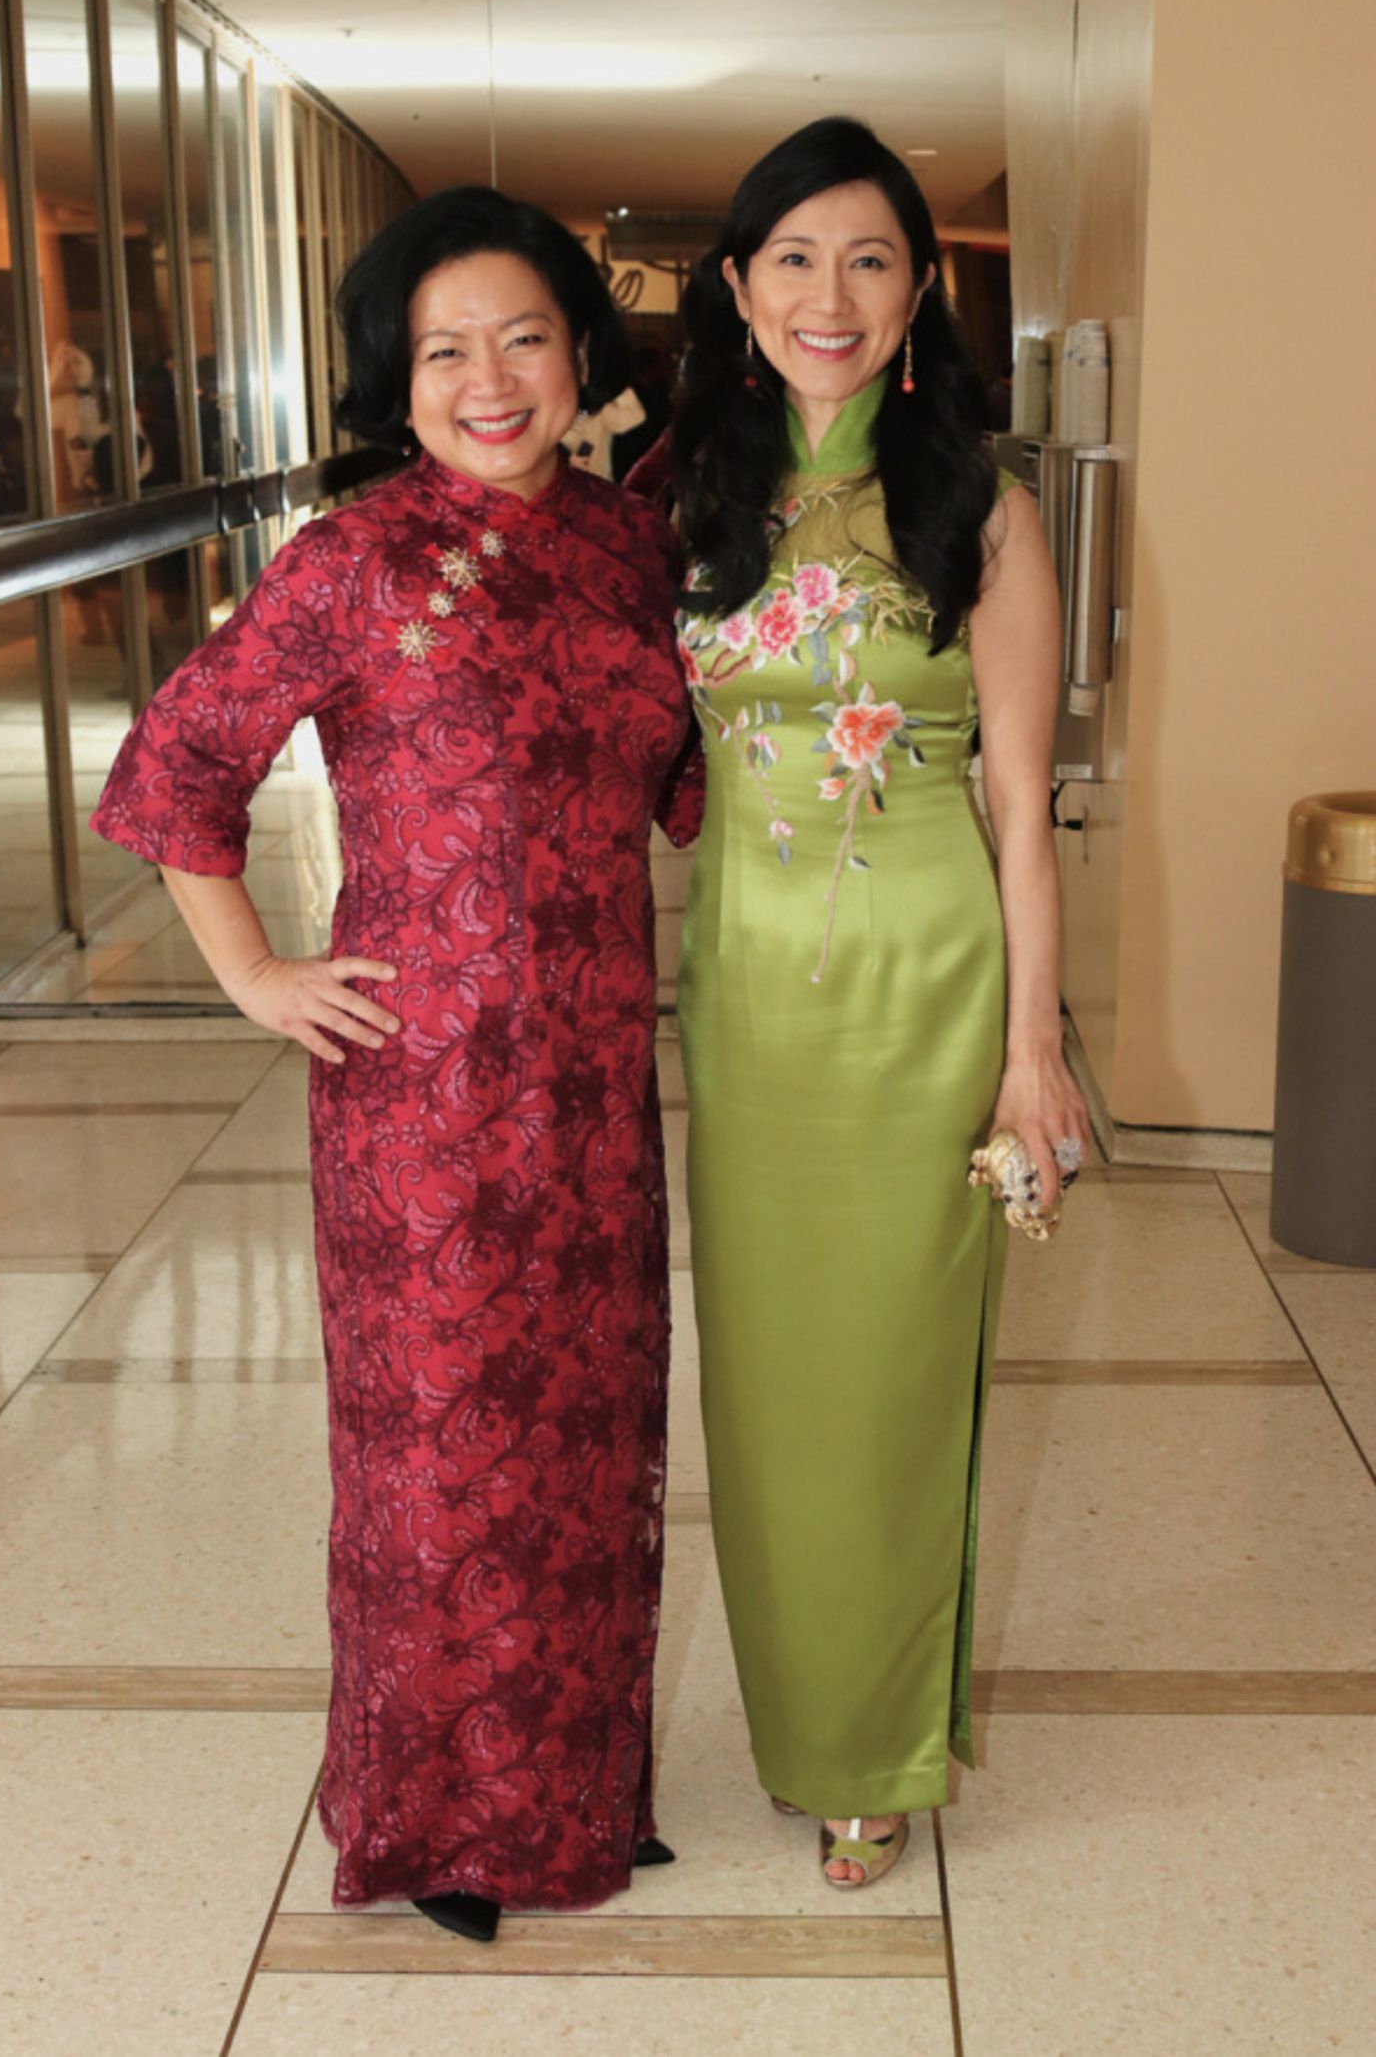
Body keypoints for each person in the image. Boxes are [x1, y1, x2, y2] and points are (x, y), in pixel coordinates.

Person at [92, 186, 702, 1942]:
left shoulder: (629, 544)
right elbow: (174, 764)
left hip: (596, 1091)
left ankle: (581, 1796)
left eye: (523, 338)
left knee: (592, 1444)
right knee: (440, 1464)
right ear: (398, 378)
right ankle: (435, 1823)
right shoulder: (354, 560)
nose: (489, 379)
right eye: (445, 351)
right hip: (420, 1096)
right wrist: (259, 975)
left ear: (583, 355)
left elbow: (680, 783)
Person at [671, 117, 1089, 1888]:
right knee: (767, 1393)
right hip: (746, 1005)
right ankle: (799, 1717)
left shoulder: (977, 505)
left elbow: (1017, 798)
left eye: (868, 259)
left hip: (926, 983)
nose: (827, 295)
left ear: (920, 289)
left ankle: (875, 1751)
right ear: (738, 287)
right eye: (792, 258)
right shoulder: (687, 495)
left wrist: (1035, 1049)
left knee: (896, 1383)